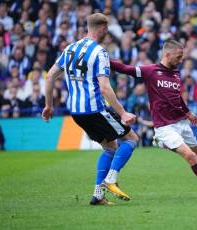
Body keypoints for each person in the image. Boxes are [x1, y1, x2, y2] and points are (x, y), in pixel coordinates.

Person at [109, 39, 197, 200]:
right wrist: (104, 60)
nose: (181, 60)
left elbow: (177, 97)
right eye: (179, 57)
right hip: (164, 126)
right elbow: (125, 68)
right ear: (167, 54)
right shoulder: (150, 71)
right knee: (191, 157)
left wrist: (188, 113)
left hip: (181, 122)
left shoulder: (175, 73)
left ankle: (162, 143)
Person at [41, 13, 139, 206]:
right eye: (106, 30)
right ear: (101, 29)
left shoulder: (69, 49)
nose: (107, 34)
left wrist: (49, 105)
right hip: (94, 108)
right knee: (132, 139)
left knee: (110, 148)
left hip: (76, 112)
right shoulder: (100, 52)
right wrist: (123, 113)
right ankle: (111, 179)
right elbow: (104, 87)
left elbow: (50, 76)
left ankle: (98, 195)